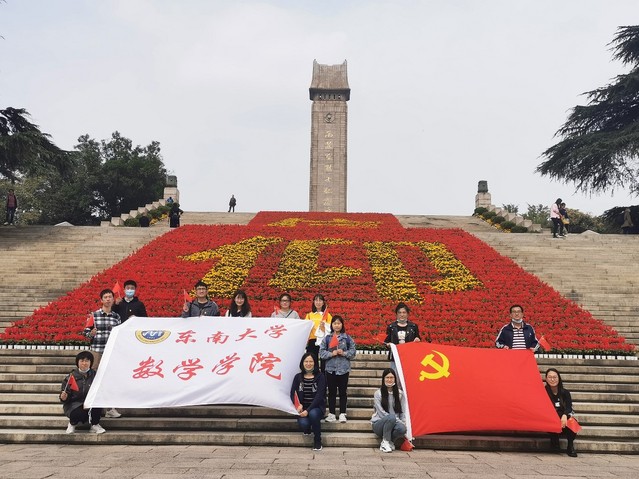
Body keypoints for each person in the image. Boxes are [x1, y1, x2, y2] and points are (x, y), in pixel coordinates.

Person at [83, 288, 121, 418]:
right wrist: (91, 333)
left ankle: (110, 408)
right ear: (101, 300)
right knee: (93, 378)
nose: (108, 299)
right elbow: (85, 332)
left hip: (110, 353)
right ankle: (92, 406)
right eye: (105, 297)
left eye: (110, 297)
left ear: (113, 299)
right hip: (97, 352)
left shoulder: (116, 317)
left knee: (110, 379)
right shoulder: (93, 316)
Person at [319, 315, 356, 423]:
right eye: (335, 323)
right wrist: (332, 353)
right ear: (331, 325)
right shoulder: (327, 338)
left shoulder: (347, 338)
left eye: (339, 323)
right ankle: (331, 414)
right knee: (331, 392)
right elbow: (321, 353)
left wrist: (344, 353)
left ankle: (342, 413)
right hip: (330, 369)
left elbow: (353, 352)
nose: (337, 325)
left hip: (343, 369)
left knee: (343, 392)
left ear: (342, 325)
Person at [59, 351, 106, 434]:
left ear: (91, 362)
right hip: (75, 404)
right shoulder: (71, 377)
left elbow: (101, 391)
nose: (84, 363)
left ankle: (94, 424)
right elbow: (65, 394)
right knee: (76, 413)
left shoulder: (96, 376)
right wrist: (64, 397)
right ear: (77, 362)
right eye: (82, 361)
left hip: (90, 403)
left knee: (97, 405)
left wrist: (88, 402)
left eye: (87, 361)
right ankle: (72, 423)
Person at [290, 352, 326, 451]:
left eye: (311, 361)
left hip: (316, 407)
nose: (308, 364)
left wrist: (308, 410)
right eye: (306, 361)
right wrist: (298, 405)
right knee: (304, 424)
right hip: (302, 409)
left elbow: (319, 396)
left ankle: (317, 441)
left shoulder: (320, 376)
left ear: (315, 363)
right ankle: (308, 428)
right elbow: (293, 393)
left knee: (313, 414)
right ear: (302, 363)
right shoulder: (298, 377)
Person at [371, 368, 408, 453]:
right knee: (391, 417)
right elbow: (381, 413)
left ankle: (390, 441)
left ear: (395, 379)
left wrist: (403, 422)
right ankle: (385, 442)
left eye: (391, 377)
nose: (389, 380)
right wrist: (397, 420)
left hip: (394, 423)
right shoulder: (378, 393)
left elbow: (402, 411)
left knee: (402, 429)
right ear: (383, 379)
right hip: (379, 424)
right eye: (387, 377)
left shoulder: (400, 394)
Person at [545, 368, 578, 457]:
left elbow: (569, 407)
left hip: (563, 418)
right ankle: (554, 440)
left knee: (572, 422)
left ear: (559, 378)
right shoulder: (543, 392)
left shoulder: (565, 392)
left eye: (555, 377)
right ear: (546, 379)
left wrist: (564, 415)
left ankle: (570, 446)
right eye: (550, 377)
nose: (552, 379)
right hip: (550, 418)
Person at [384, 302, 421, 368]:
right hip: (395, 357)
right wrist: (388, 345)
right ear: (396, 314)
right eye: (399, 313)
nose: (402, 315)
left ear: (407, 314)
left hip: (409, 356)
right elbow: (386, 341)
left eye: (404, 312)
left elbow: (418, 338)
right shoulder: (391, 327)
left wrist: (417, 340)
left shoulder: (413, 327)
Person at [304, 294, 332, 359]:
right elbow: (305, 328)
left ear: (323, 303)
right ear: (314, 302)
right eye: (316, 300)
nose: (318, 302)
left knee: (324, 361)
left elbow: (330, 329)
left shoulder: (327, 315)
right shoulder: (309, 315)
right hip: (312, 340)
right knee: (312, 360)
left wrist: (323, 328)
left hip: (323, 341)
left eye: (320, 300)